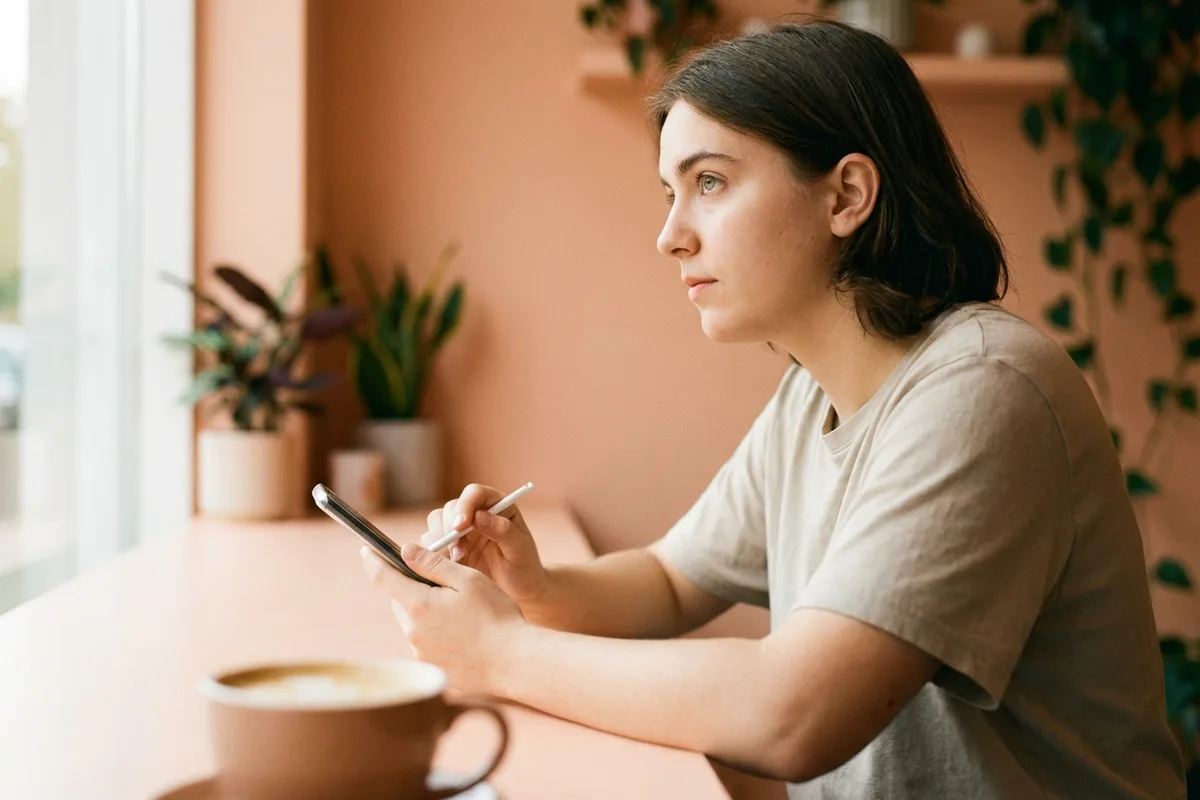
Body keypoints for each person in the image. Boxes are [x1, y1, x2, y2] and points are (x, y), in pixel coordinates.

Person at [359, 18, 1185, 799]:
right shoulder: (812, 391)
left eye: (709, 182)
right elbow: (669, 582)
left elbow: (795, 713)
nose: (670, 235)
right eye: (668, 193)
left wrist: (500, 654)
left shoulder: (984, 391)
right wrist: (530, 583)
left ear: (846, 195)